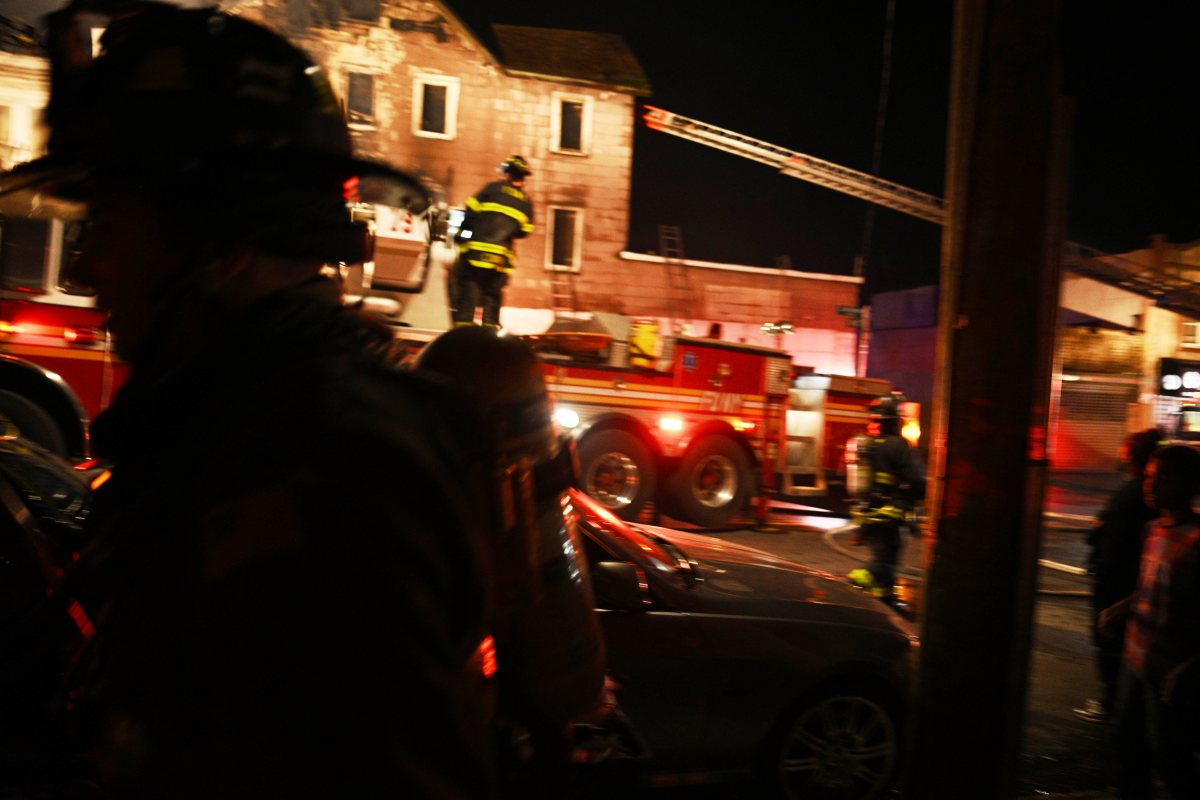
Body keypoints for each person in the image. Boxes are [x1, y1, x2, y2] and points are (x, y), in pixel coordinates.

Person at [1, 3, 499, 796]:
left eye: (111, 225)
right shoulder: (228, 423)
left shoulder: (327, 471)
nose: (90, 265)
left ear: (223, 246)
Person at [1104, 444, 1200, 799]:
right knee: (1127, 746)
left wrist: (1190, 667)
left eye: (1161, 477)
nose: (1151, 484)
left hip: (1170, 671)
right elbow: (1150, 589)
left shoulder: (1195, 538)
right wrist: (1122, 608)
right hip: (1135, 660)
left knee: (1171, 755)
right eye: (1148, 476)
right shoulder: (1154, 530)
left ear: (1190, 484)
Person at [1074, 427, 1164, 725]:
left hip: (1116, 582)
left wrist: (1102, 571)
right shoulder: (1143, 493)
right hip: (1129, 580)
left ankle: (1113, 703)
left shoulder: (1132, 493)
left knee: (1110, 642)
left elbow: (1112, 540)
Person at [846, 392, 924, 611]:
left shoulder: (867, 445)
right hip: (890, 516)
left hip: (868, 517)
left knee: (884, 559)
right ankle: (856, 578)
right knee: (886, 562)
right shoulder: (898, 446)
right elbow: (918, 481)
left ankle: (885, 601)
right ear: (894, 420)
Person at [451, 154, 535, 328]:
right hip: (500, 259)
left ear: (507, 173)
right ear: (523, 177)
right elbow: (525, 231)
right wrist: (507, 232)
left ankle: (461, 337)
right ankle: (490, 336)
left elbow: (470, 216)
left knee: (469, 294)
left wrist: (462, 237)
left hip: (474, 254)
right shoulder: (526, 202)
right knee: (492, 297)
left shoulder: (491, 189)